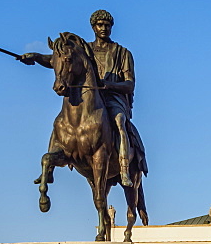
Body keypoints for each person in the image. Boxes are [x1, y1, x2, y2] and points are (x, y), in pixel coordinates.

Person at [20, 10, 146, 187]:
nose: (104, 28)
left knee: (119, 120)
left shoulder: (122, 53)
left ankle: (124, 168)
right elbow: (57, 60)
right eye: (100, 25)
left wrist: (108, 84)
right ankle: (49, 169)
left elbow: (129, 84)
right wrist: (34, 56)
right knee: (60, 123)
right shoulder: (84, 50)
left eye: (107, 25)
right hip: (86, 99)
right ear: (93, 27)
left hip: (112, 99)